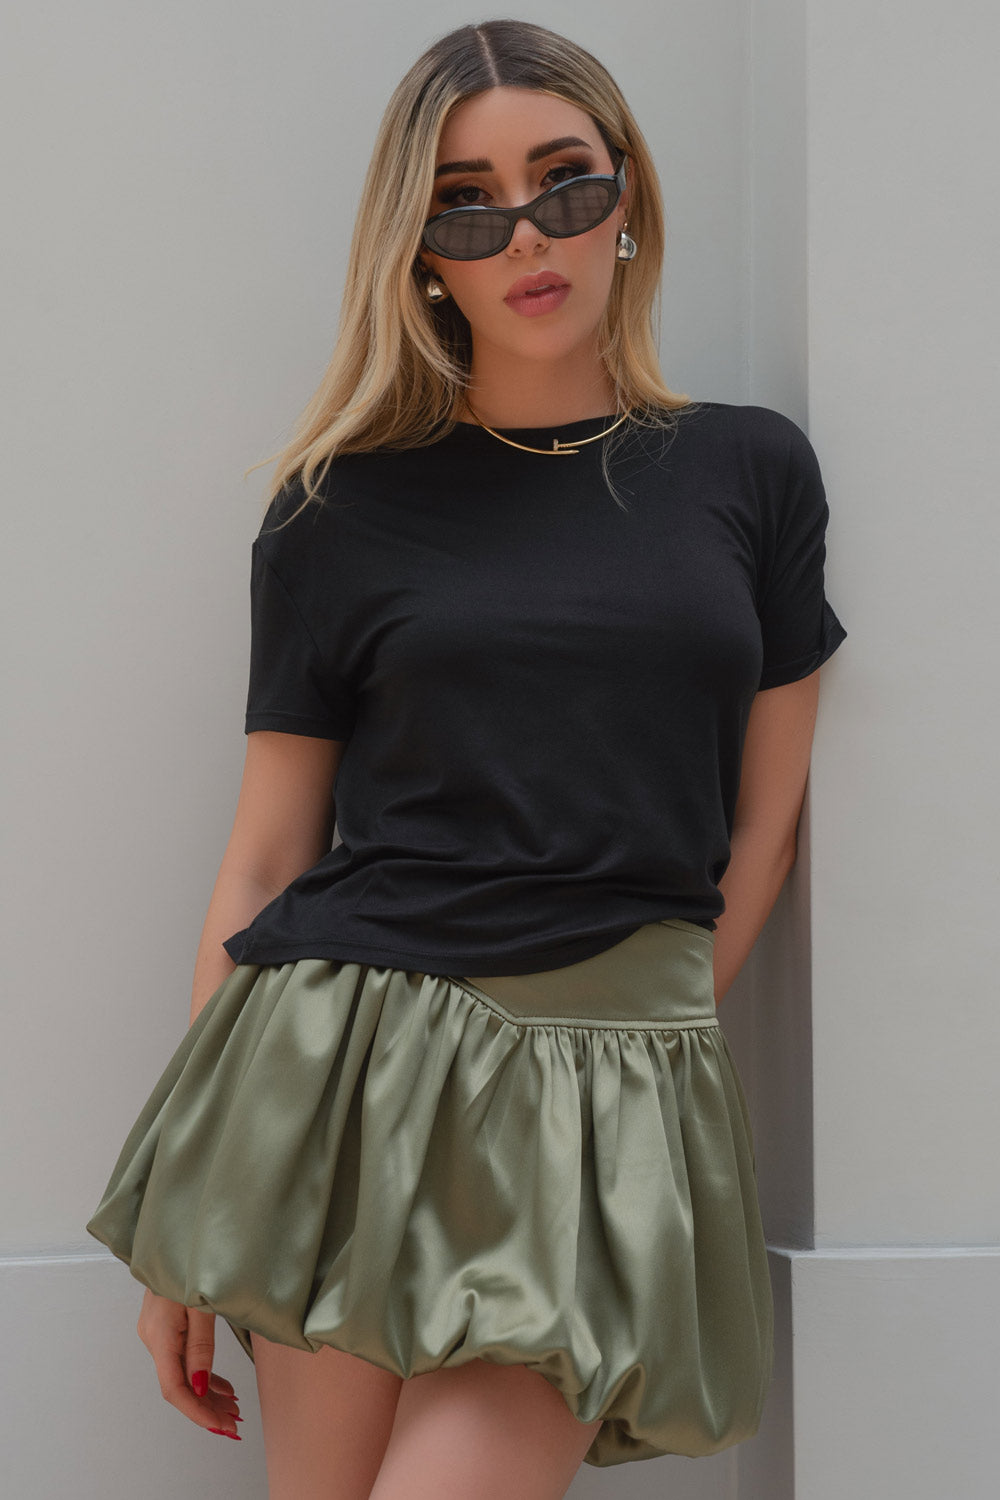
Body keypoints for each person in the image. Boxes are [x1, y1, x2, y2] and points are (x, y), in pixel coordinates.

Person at [88, 18, 847, 1500]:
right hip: (340, 1074)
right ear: (423, 250)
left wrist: (641, 1038)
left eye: (566, 180)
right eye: (468, 204)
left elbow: (764, 826)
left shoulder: (750, 471)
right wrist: (189, 1210)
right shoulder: (336, 509)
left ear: (629, 196)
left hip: (603, 1081)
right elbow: (266, 858)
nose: (527, 233)